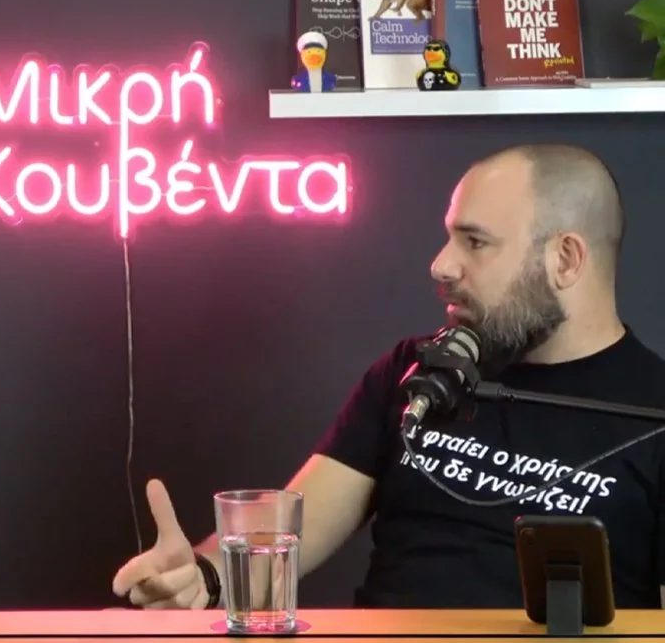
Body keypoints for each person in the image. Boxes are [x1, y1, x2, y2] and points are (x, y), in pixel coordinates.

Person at [113, 143, 665, 611]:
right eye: (450, 238)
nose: (441, 265)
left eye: (475, 242)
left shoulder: (654, 411)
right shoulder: (415, 371)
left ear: (565, 260)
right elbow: (284, 540)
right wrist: (204, 577)